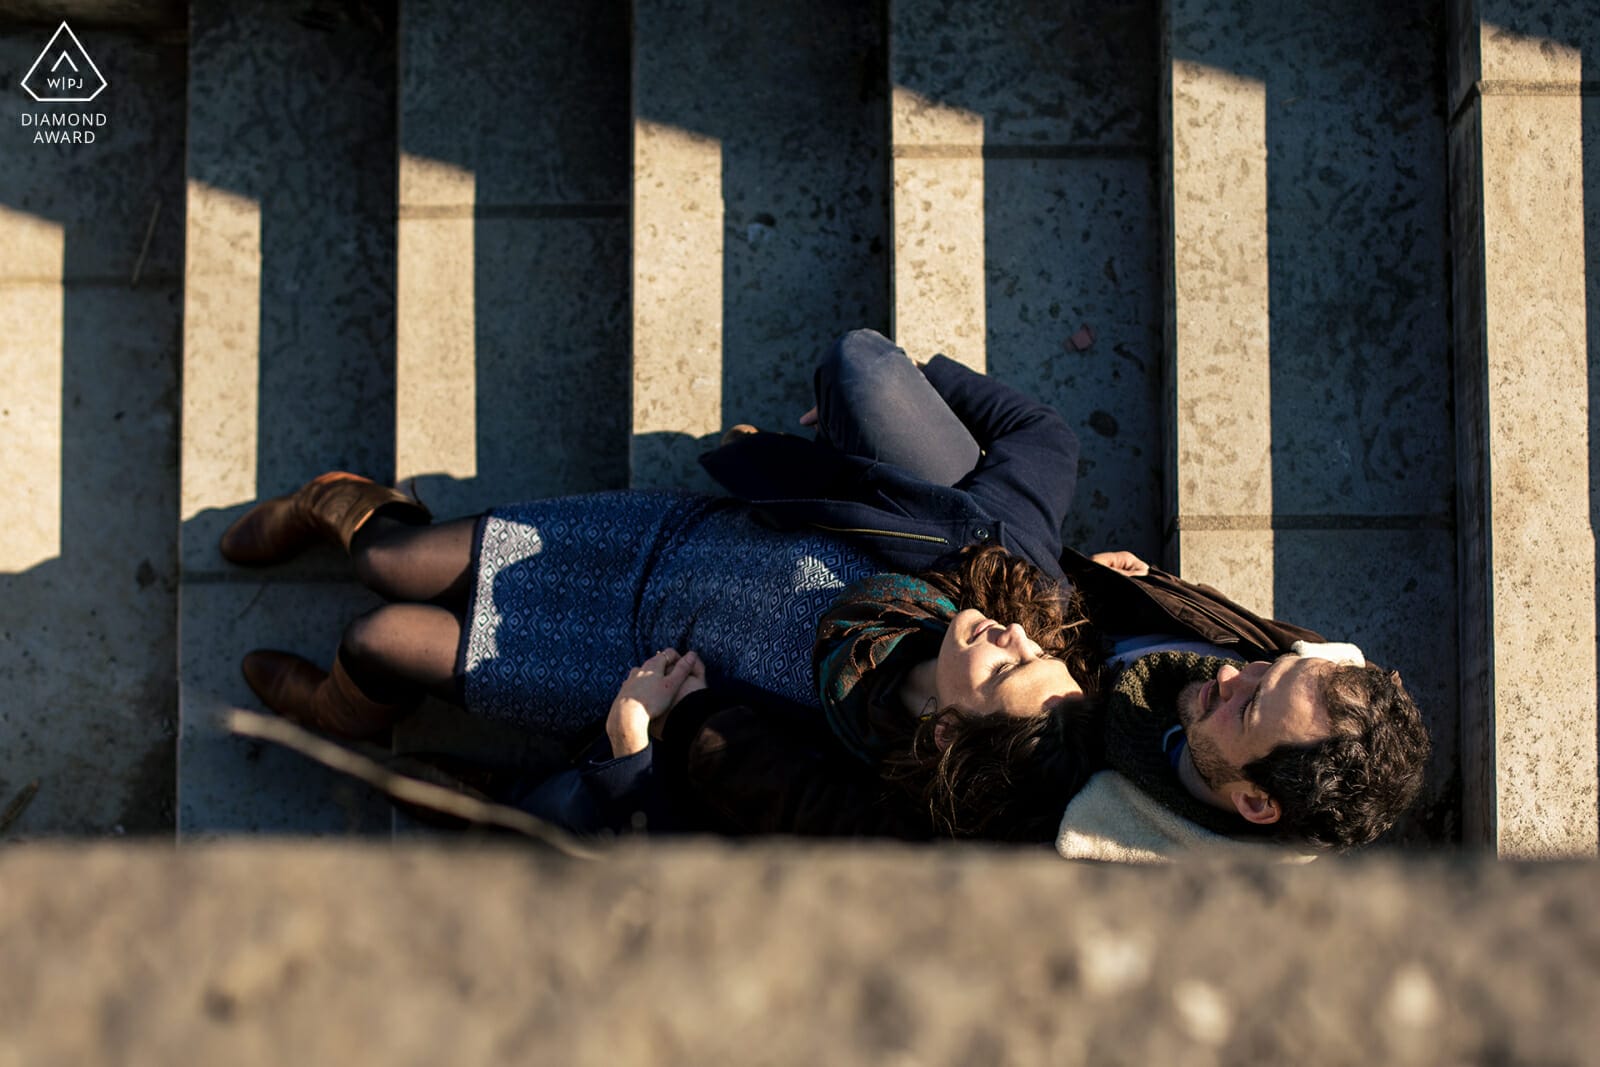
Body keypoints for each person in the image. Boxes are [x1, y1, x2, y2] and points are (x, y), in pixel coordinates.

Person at [220, 329, 1097, 839]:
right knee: (385, 563)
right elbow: (1048, 441)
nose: (1014, 638)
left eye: (1006, 671)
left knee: (376, 640)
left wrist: (634, 735)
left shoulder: (851, 781)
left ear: (946, 733)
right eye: (1039, 652)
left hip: (618, 660)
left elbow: (695, 840)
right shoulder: (995, 574)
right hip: (661, 538)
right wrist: (848, 440)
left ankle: (349, 708)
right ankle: (338, 503)